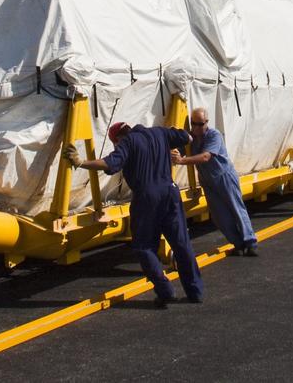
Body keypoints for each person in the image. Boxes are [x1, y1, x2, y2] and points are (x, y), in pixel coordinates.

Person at [66, 121, 205, 307]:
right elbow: (187, 137)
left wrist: (81, 162)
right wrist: (175, 146)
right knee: (181, 244)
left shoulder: (128, 143)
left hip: (147, 198)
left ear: (118, 139)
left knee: (144, 246)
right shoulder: (160, 133)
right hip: (170, 193)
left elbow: (109, 162)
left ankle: (165, 290)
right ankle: (195, 292)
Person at [172, 108, 259, 256]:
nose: (196, 127)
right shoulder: (191, 138)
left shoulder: (214, 135)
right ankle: (237, 243)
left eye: (200, 124)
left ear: (206, 122)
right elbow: (180, 149)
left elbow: (206, 157)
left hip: (223, 176)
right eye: (193, 124)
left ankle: (250, 242)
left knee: (236, 208)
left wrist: (181, 160)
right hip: (207, 180)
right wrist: (173, 152)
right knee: (219, 215)